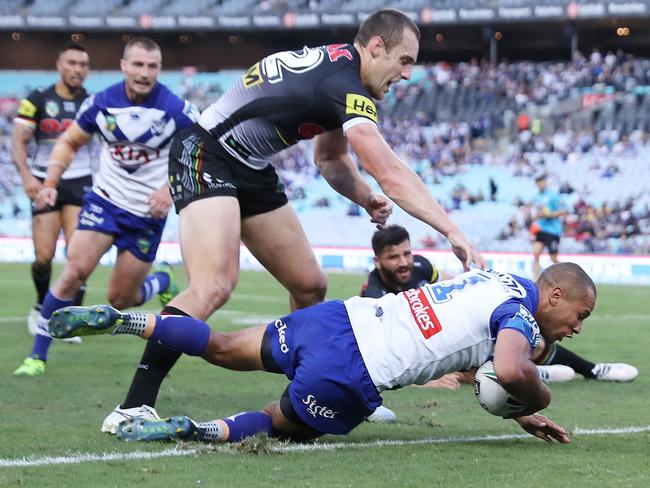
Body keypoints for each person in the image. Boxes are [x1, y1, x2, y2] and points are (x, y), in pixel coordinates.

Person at [101, 8, 486, 434]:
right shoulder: (343, 85)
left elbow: (330, 158)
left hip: (249, 165)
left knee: (309, 283)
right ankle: (133, 405)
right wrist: (452, 230)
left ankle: (309, 392)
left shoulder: (342, 73)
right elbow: (390, 170)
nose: (408, 75)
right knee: (213, 284)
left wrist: (363, 197)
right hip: (205, 151)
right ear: (376, 47)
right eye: (405, 61)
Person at [49, 262, 597, 444]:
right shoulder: (521, 316)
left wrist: (519, 410)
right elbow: (508, 368)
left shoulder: (498, 279)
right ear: (554, 295)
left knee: (218, 346)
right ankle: (192, 429)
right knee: (279, 424)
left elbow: (483, 351)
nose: (576, 327)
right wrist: (536, 393)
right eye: (580, 314)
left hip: (337, 320)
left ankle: (127, 319)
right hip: (355, 369)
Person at [13, 37, 197, 377]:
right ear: (123, 65)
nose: (144, 72)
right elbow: (69, 142)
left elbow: (200, 154)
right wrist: (51, 182)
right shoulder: (102, 103)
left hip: (146, 216)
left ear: (159, 69)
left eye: (152, 66)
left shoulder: (177, 109)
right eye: (137, 64)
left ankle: (161, 281)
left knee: (120, 300)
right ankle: (37, 357)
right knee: (73, 272)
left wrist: (169, 189)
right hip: (105, 202)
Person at [363, 225, 637, 386]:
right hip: (431, 347)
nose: (403, 262)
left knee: (533, 338)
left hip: (455, 326)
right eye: (393, 257)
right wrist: (430, 381)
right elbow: (386, 348)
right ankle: (526, 372)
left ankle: (591, 370)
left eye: (407, 253)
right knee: (464, 360)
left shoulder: (421, 266)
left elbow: (450, 285)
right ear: (378, 261)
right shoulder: (374, 293)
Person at [12, 42, 92, 337]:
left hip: (81, 180)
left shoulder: (92, 102)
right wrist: (26, 177)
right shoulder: (36, 100)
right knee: (43, 256)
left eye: (83, 65)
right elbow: (18, 140)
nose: (78, 70)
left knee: (79, 255)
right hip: (43, 181)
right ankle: (39, 304)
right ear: (59, 65)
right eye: (72, 63)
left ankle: (73, 319)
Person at [532, 173, 568, 280]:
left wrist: (549, 215)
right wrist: (538, 215)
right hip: (541, 229)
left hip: (553, 231)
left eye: (542, 182)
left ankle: (566, 275)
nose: (540, 185)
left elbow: (564, 211)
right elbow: (537, 213)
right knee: (536, 254)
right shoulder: (536, 197)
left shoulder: (553, 196)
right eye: (538, 183)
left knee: (553, 258)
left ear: (545, 182)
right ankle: (535, 279)